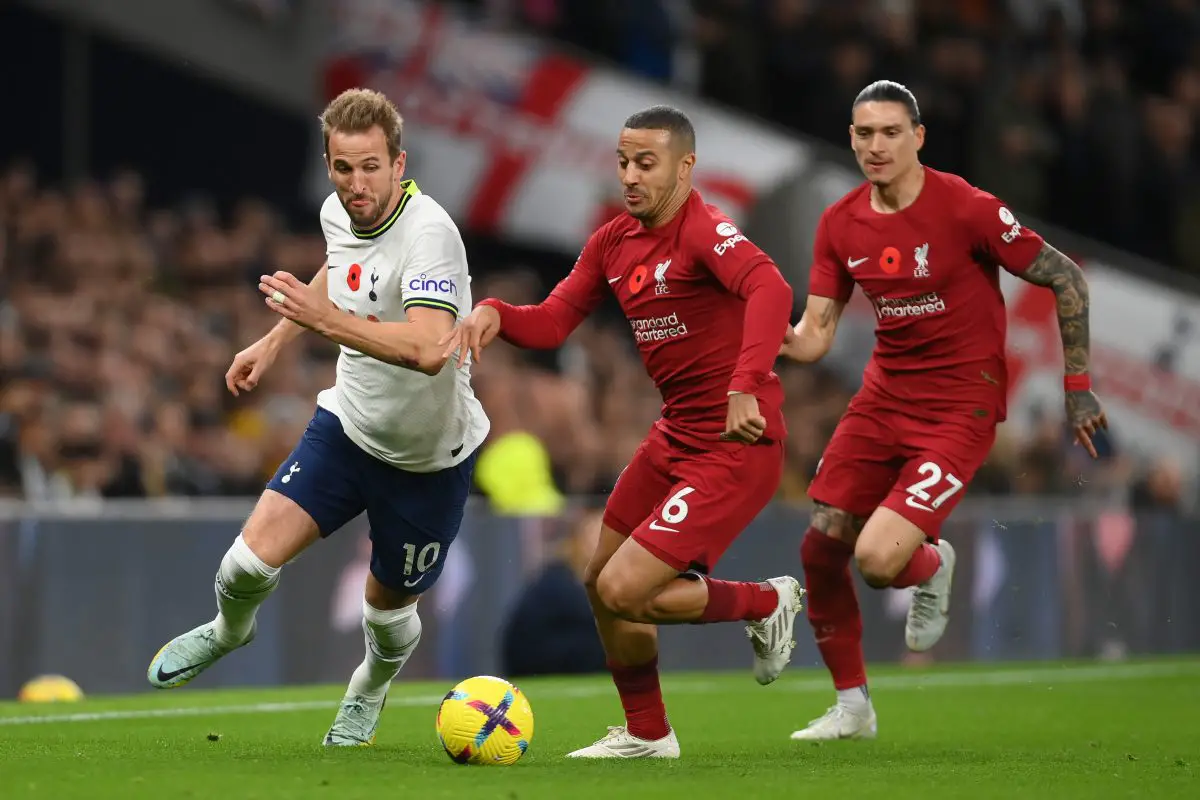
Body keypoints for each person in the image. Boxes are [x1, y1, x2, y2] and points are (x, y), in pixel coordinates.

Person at [441, 105, 805, 760]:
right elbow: (553, 322)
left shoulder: (705, 231)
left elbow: (772, 290)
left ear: (685, 167)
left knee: (624, 589)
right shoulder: (613, 242)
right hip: (674, 437)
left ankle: (764, 601)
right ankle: (648, 733)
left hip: (736, 443)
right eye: (623, 161)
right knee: (599, 580)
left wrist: (745, 384)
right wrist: (496, 312)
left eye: (647, 163)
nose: (631, 176)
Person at [146, 88, 490, 747]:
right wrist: (273, 341)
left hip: (428, 459)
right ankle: (227, 630)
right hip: (348, 430)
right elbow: (341, 268)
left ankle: (368, 691)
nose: (355, 184)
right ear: (329, 164)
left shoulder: (431, 236)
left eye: (369, 167)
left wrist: (326, 323)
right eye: (342, 167)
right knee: (245, 565)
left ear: (399, 163)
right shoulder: (340, 212)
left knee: (387, 619)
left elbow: (427, 349)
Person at [778, 80, 1108, 741]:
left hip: (961, 403)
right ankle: (853, 708)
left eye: (891, 133)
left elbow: (1064, 276)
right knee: (821, 545)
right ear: (851, 138)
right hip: (882, 397)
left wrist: (1078, 385)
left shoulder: (966, 208)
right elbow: (815, 335)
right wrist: (766, 338)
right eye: (865, 133)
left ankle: (931, 563)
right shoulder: (841, 222)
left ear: (918, 137)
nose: (877, 146)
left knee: (875, 561)